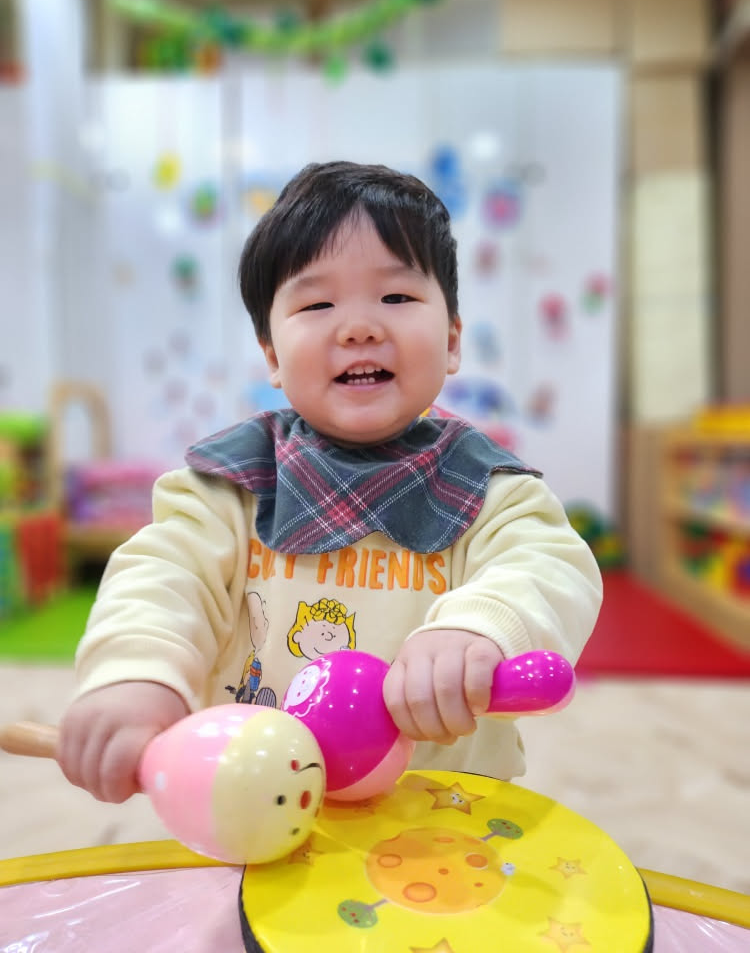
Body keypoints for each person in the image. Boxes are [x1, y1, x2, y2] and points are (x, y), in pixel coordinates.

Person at [58, 161, 602, 804]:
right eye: (318, 304)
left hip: (443, 814)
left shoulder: (489, 489)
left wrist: (480, 629)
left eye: (396, 298)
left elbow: (549, 567)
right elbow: (162, 577)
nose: (359, 327)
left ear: (453, 339)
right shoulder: (229, 486)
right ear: (272, 355)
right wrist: (137, 671)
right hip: (258, 802)